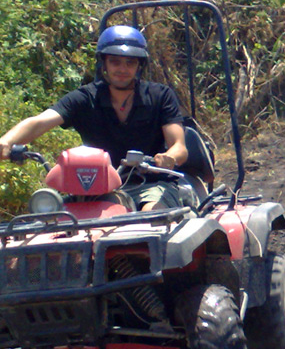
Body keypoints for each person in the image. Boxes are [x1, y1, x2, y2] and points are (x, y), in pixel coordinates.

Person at [0, 25, 188, 211]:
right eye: (115, 62)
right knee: (62, 220)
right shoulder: (85, 97)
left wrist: (169, 157)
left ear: (139, 65)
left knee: (151, 217)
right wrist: (7, 141)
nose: (122, 69)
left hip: (152, 185)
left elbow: (179, 146)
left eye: (130, 62)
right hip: (99, 188)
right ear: (103, 63)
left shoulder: (160, 95)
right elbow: (39, 122)